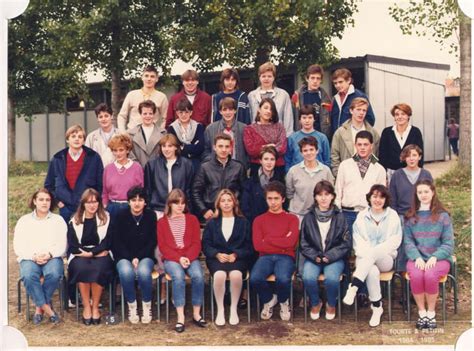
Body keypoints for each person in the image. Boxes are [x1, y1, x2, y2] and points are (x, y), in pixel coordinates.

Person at [343, 184, 402, 327]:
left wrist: (374, 252)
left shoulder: (392, 215)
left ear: (386, 200)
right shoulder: (362, 216)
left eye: (381, 197)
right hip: (364, 260)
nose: (378, 200)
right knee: (371, 271)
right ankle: (377, 307)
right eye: (374, 196)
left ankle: (354, 286)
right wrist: (369, 255)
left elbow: (394, 241)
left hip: (386, 259)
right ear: (369, 198)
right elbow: (358, 242)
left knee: (372, 257)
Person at [403, 180, 454, 330]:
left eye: (426, 191)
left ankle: (431, 313)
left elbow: (448, 243)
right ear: (416, 195)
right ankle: (422, 312)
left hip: (438, 258)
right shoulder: (411, 216)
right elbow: (408, 242)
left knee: (430, 275)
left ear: (432, 192)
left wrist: (435, 256)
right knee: (417, 275)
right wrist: (417, 257)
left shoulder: (442, 216)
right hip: (417, 257)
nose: (423, 195)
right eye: (420, 192)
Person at [13, 189, 67, 324]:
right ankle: (48, 309)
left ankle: (39, 307)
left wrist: (49, 254)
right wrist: (33, 256)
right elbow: (18, 245)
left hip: (52, 257)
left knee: (54, 274)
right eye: (41, 199)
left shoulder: (58, 220)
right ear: (34, 201)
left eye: (47, 200)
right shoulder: (24, 221)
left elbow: (63, 244)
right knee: (28, 275)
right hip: (30, 257)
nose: (44, 202)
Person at [300, 181, 350, 321]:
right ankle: (316, 303)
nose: (323, 198)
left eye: (327, 194)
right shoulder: (308, 217)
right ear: (315, 197)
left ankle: (331, 304)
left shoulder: (340, 217)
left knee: (332, 279)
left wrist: (330, 256)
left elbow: (345, 243)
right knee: (308, 277)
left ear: (333, 196)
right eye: (319, 195)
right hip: (314, 257)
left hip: (334, 258)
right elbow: (303, 243)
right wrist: (314, 256)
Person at [158, 189, 206, 333]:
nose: (180, 206)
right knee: (178, 276)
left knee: (198, 275)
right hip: (172, 258)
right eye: (176, 203)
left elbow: (196, 244)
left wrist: (187, 257)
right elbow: (163, 247)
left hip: (190, 256)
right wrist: (179, 258)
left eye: (183, 203)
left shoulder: (192, 219)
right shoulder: (162, 222)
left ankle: (197, 314)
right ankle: (180, 317)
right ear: (170, 204)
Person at [202, 189, 253, 326]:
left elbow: (249, 246)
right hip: (217, 259)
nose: (226, 204)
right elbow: (206, 245)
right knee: (219, 275)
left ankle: (234, 309)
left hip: (238, 259)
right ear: (218, 204)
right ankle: (220, 309)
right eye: (223, 201)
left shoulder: (243, 222)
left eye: (229, 200)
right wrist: (217, 254)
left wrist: (236, 254)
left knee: (236, 275)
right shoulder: (212, 222)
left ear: (234, 203)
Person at [250, 181, 299, 321]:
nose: (273, 202)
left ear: (283, 199)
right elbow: (258, 246)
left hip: (286, 257)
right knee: (255, 279)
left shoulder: (292, 219)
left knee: (283, 279)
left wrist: (269, 239)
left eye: (276, 198)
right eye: (269, 198)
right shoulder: (259, 220)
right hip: (265, 257)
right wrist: (281, 241)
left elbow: (291, 243)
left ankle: (284, 302)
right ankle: (270, 300)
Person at [110, 186, 158, 324]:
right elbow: (117, 241)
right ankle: (132, 306)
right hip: (124, 255)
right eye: (133, 200)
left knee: (143, 272)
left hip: (145, 255)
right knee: (126, 272)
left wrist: (139, 257)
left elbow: (152, 240)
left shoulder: (150, 216)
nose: (137, 203)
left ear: (145, 202)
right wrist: (131, 258)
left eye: (140, 200)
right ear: (128, 201)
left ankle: (146, 305)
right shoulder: (120, 215)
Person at [67, 189, 114, 325]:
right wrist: (86, 254)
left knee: (99, 268)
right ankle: (87, 306)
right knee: (81, 268)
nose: (92, 205)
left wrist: (93, 253)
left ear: (99, 203)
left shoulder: (106, 217)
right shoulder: (74, 219)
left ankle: (95, 306)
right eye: (88, 202)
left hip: (101, 253)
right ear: (83, 204)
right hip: (80, 253)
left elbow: (108, 241)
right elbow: (73, 244)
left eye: (95, 201)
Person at [45, 124, 103, 224]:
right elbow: (48, 185)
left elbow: (100, 183)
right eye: (73, 136)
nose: (77, 139)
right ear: (67, 139)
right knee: (67, 237)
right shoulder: (58, 158)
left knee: (87, 237)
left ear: (84, 140)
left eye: (80, 137)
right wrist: (58, 202)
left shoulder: (93, 157)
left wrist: (94, 202)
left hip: (87, 206)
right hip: (65, 207)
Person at [389, 145, 433, 271]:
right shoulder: (397, 175)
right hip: (403, 215)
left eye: (414, 155)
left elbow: (431, 196)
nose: (411, 158)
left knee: (423, 241)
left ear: (419, 157)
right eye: (408, 156)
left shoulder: (426, 174)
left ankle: (423, 271)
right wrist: (396, 217)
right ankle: (402, 275)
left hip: (422, 214)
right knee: (403, 243)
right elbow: (392, 199)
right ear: (404, 158)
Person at [335, 130, 386, 235]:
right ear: (355, 145)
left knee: (366, 247)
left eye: (366, 144)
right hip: (347, 213)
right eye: (359, 144)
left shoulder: (379, 169)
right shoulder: (345, 165)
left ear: (371, 146)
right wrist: (338, 213)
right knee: (347, 247)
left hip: (369, 214)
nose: (362, 147)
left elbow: (381, 196)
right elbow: (338, 190)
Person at [192, 133, 246, 222]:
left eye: (227, 146)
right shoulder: (205, 167)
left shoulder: (238, 167)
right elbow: (196, 192)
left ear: (231, 148)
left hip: (232, 214)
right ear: (214, 147)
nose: (224, 150)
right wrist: (203, 210)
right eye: (220, 146)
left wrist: (237, 209)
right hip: (211, 214)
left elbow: (244, 192)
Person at [144, 133, 194, 217]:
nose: (166, 149)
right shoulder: (152, 164)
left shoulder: (186, 164)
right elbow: (148, 190)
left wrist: (188, 209)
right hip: (158, 209)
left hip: (179, 209)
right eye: (164, 146)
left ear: (176, 147)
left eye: (170, 146)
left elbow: (189, 189)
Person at [286, 136, 334, 223]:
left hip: (320, 215)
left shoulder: (326, 170)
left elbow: (331, 192)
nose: (309, 153)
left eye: (311, 149)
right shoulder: (293, 171)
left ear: (317, 150)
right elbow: (289, 193)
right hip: (298, 215)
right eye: (305, 150)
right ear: (301, 153)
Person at [331, 97, 380, 177]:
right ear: (351, 110)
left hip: (368, 176)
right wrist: (339, 175)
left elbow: (376, 155)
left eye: (364, 110)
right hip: (347, 176)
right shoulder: (340, 132)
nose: (361, 113)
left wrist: (372, 174)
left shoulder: (373, 132)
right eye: (358, 109)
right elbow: (334, 157)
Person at [102, 133, 144, 221]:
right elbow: (104, 192)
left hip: (131, 208)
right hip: (112, 208)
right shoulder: (108, 169)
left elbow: (141, 190)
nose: (118, 153)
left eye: (121, 150)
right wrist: (105, 207)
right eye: (115, 150)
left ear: (127, 150)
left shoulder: (137, 167)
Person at [241, 146, 286, 225]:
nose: (269, 162)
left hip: (275, 222)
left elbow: (284, 203)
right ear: (260, 161)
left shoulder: (281, 180)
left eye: (272, 159)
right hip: (255, 222)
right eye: (266, 159)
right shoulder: (250, 182)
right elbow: (245, 206)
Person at [379, 103, 424, 181]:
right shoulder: (387, 132)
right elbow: (382, 156)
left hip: (411, 172)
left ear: (408, 116)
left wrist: (419, 173)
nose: (400, 117)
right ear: (394, 117)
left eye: (403, 114)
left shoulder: (415, 132)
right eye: (397, 114)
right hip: (391, 173)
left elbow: (420, 155)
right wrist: (383, 175)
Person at [243, 97, 287, 176]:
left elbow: (282, 148)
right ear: (259, 110)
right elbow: (251, 150)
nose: (268, 111)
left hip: (277, 167)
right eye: (266, 108)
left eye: (271, 109)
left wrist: (262, 148)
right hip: (257, 167)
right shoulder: (249, 129)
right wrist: (270, 146)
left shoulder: (279, 127)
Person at [248, 62, 294, 136]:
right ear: (259, 77)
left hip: (278, 138)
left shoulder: (283, 95)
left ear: (274, 77)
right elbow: (250, 119)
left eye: (269, 76)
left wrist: (287, 138)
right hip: (257, 137)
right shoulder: (251, 96)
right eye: (263, 76)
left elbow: (288, 120)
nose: (266, 79)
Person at [117, 65, 169, 131]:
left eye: (152, 76)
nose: (149, 79)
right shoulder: (132, 95)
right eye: (146, 76)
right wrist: (123, 132)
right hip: (132, 135)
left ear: (157, 79)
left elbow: (166, 118)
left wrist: (160, 133)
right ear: (142, 77)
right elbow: (122, 116)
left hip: (152, 136)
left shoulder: (162, 97)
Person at [204, 97, 248, 168]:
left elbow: (248, 152)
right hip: (216, 169)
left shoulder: (244, 128)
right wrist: (213, 163)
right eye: (224, 109)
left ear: (235, 111)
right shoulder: (210, 129)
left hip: (238, 169)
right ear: (220, 111)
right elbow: (205, 151)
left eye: (230, 109)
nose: (228, 112)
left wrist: (244, 165)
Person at [285, 105, 331, 171]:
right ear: (300, 119)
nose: (307, 121)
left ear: (314, 119)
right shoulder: (292, 138)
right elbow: (288, 160)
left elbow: (327, 160)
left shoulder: (322, 138)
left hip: (318, 175)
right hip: (298, 175)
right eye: (304, 118)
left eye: (310, 117)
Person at [292, 64, 332, 138]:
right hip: (302, 137)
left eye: (318, 78)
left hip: (319, 136)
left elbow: (328, 120)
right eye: (312, 78)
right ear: (307, 79)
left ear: (321, 80)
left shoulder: (326, 98)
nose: (315, 81)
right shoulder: (297, 96)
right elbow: (294, 118)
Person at [330, 68, 375, 132]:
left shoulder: (359, 96)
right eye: (335, 83)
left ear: (348, 80)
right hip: (338, 138)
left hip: (354, 138)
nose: (338, 85)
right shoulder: (335, 99)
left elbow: (370, 120)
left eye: (340, 82)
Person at [167, 98, 205, 172]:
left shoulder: (198, 127)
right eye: (181, 112)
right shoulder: (171, 128)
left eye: (186, 112)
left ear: (191, 113)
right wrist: (192, 146)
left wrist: (183, 147)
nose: (184, 115)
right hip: (178, 162)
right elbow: (174, 148)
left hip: (196, 162)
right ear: (177, 113)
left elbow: (200, 147)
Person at [127, 100, 166, 168]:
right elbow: (130, 154)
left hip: (157, 170)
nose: (148, 116)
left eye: (150, 113)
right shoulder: (131, 134)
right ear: (140, 114)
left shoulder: (163, 133)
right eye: (145, 113)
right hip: (138, 171)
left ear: (154, 114)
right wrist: (137, 167)